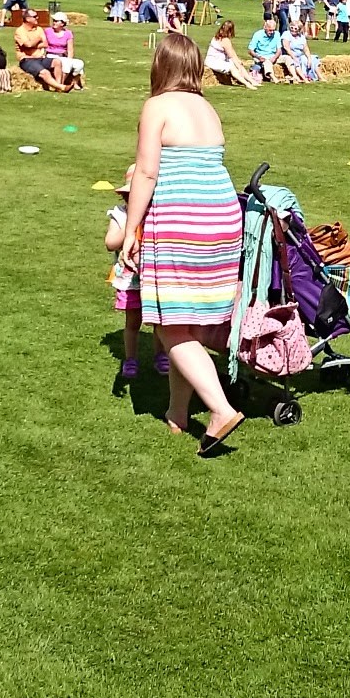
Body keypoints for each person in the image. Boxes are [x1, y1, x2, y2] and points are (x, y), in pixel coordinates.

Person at [120, 32, 245, 454]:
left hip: (183, 219)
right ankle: (178, 412)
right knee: (186, 323)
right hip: (223, 216)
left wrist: (131, 230)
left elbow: (146, 172)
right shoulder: (208, 108)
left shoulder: (156, 106)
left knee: (169, 324)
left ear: (161, 65)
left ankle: (220, 409)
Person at [104, 165, 168, 381]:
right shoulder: (120, 215)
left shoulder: (157, 214)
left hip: (155, 279)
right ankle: (130, 359)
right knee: (133, 322)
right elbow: (110, 243)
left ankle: (161, 355)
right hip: (131, 281)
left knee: (160, 322)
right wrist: (130, 226)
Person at [14, 10, 69, 91]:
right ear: (28, 19)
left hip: (40, 58)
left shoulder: (39, 29)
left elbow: (45, 44)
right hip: (27, 59)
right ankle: (61, 87)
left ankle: (58, 88)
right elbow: (28, 45)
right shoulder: (20, 31)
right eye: (35, 16)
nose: (37, 18)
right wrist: (38, 38)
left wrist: (32, 45)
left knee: (57, 62)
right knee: (45, 72)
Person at [205, 21, 258, 88]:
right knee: (232, 67)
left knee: (238, 64)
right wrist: (239, 67)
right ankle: (247, 83)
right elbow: (231, 56)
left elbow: (232, 51)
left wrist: (238, 61)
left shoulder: (217, 37)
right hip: (213, 61)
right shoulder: (225, 40)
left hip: (214, 59)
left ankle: (251, 81)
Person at [44, 12, 85, 88]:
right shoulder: (48, 31)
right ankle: (61, 85)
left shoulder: (68, 33)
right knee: (66, 64)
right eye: (54, 21)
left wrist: (70, 59)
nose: (54, 22)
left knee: (79, 63)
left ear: (62, 23)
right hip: (51, 55)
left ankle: (74, 82)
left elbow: (70, 49)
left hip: (63, 56)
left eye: (56, 21)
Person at [248, 17, 281, 82]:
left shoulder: (277, 34)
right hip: (261, 56)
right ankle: (273, 78)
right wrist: (258, 57)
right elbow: (250, 50)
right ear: (265, 28)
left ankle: (295, 76)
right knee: (267, 62)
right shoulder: (258, 34)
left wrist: (274, 57)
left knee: (288, 59)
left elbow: (279, 50)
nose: (272, 32)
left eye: (273, 30)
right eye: (270, 30)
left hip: (273, 56)